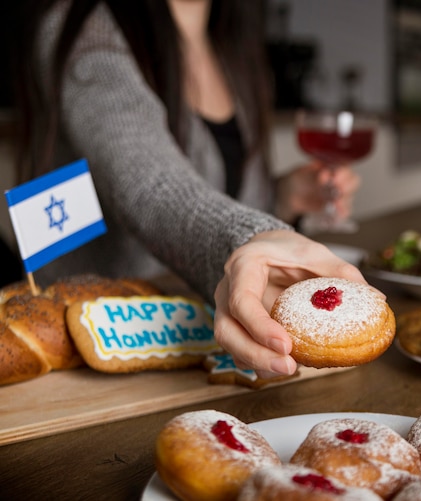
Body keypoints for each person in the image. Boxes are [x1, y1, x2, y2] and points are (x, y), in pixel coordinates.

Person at [11, 0, 364, 377]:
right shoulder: (83, 27)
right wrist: (257, 235)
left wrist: (283, 197)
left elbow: (221, 200)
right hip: (86, 364)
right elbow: (150, 184)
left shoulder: (231, 48)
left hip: (197, 352)